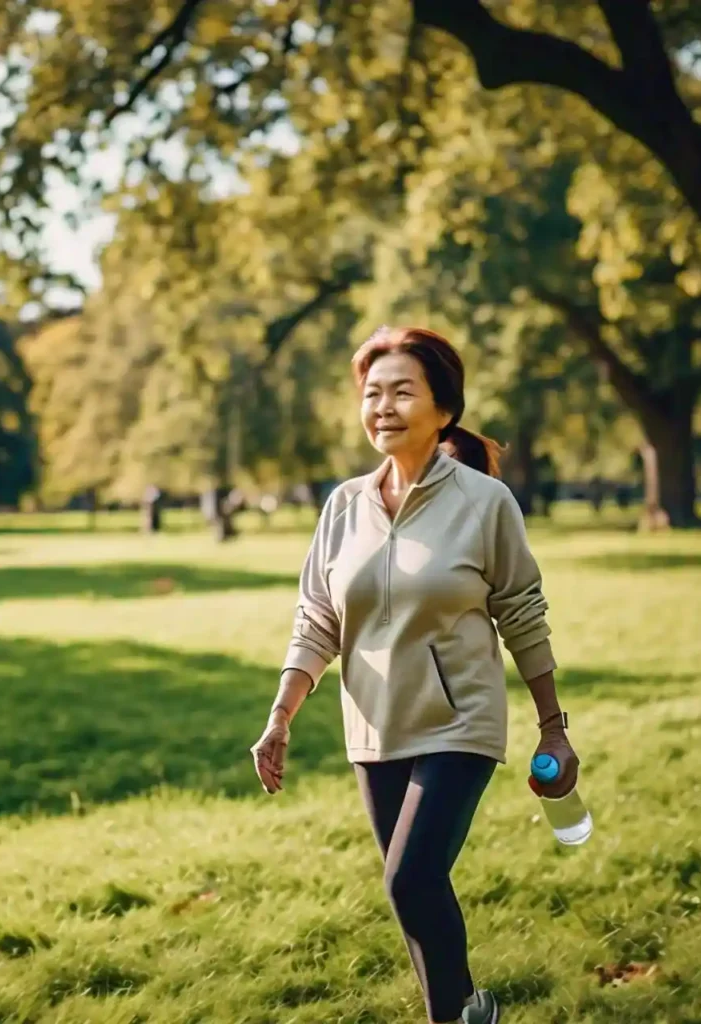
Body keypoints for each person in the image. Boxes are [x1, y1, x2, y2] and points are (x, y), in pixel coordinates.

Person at [250, 326, 580, 1024]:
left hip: (460, 721)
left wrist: (554, 730)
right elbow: (317, 618)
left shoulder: (484, 503)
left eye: (403, 391)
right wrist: (281, 714)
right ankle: (464, 1012)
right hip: (374, 723)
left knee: (411, 877)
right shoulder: (343, 506)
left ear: (443, 408)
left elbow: (522, 613)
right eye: (372, 394)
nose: (384, 407)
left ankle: (455, 1016)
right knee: (414, 895)